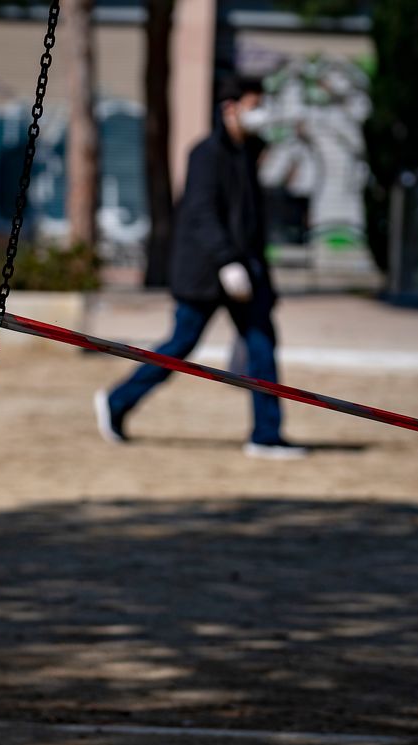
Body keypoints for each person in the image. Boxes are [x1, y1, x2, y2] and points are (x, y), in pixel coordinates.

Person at [94, 74, 307, 459]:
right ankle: (117, 401)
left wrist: (259, 277)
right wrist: (227, 262)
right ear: (230, 108)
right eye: (253, 105)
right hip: (207, 273)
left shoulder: (249, 153)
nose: (260, 114)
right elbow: (200, 214)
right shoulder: (205, 155)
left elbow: (251, 222)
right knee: (178, 346)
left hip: (245, 272)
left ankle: (266, 435)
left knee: (261, 347)